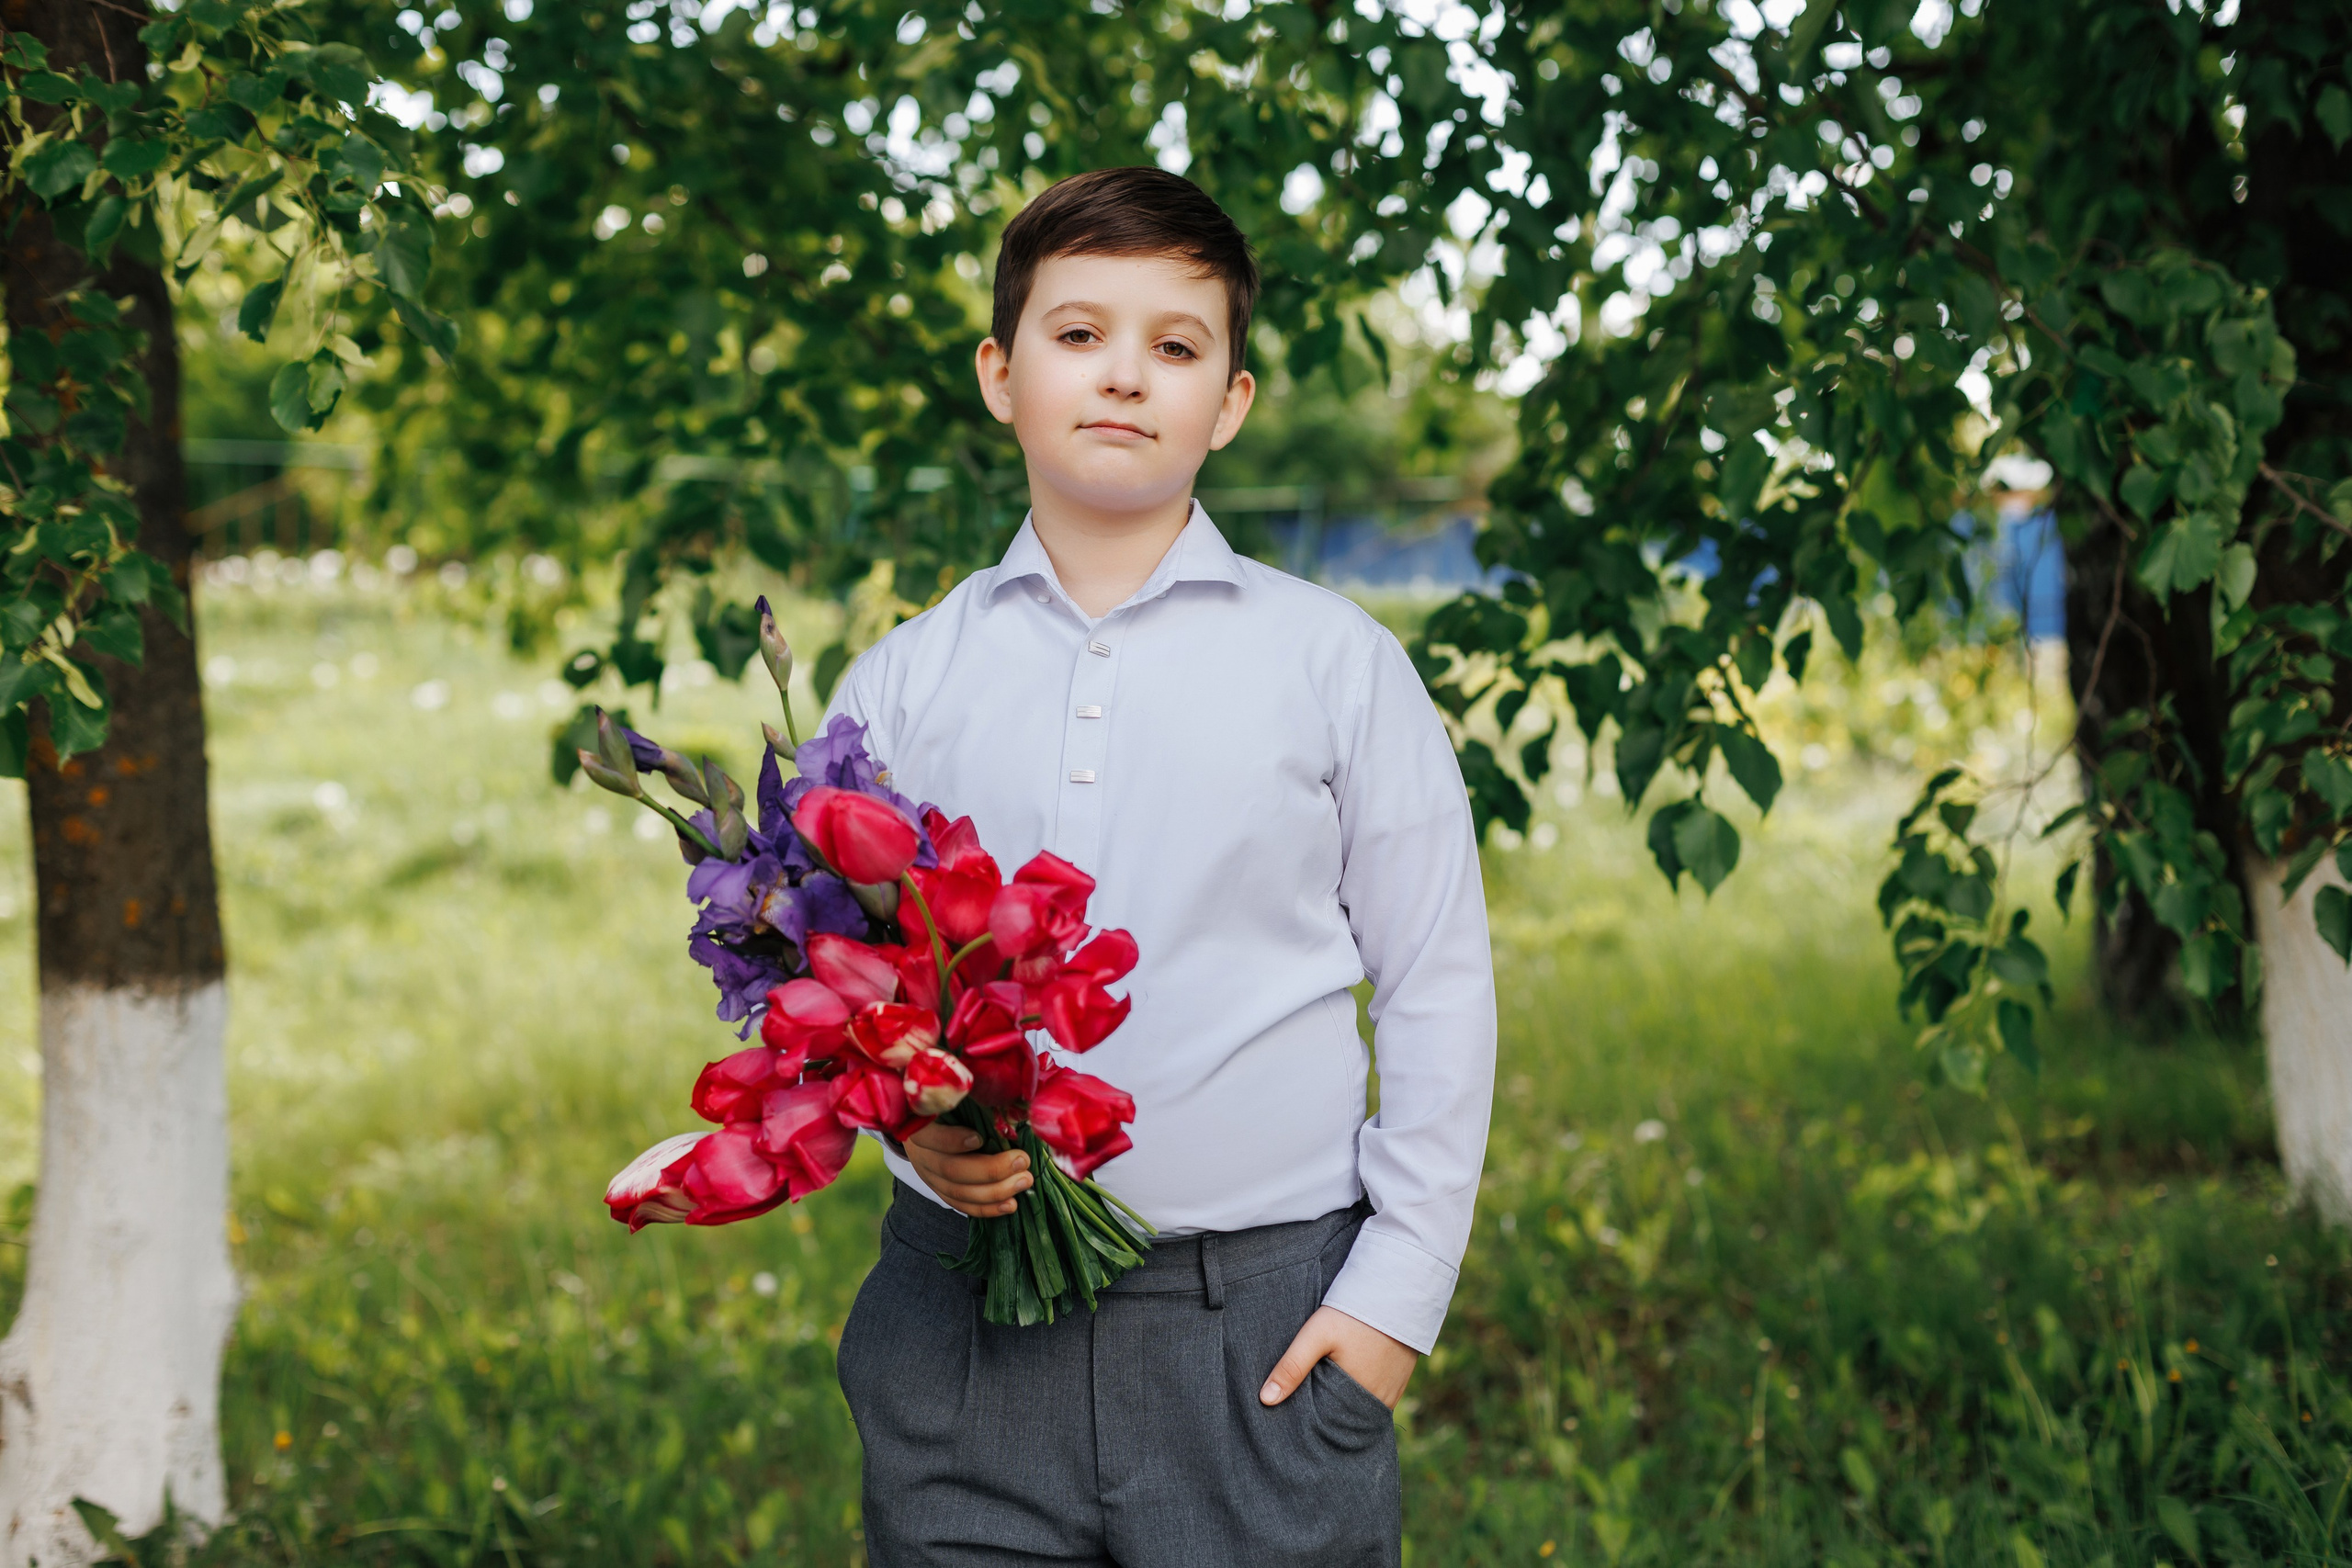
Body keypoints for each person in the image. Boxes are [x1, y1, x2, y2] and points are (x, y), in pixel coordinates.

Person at [822, 164, 1496, 1568]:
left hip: (1256, 1332)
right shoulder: (901, 685)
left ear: (1231, 402)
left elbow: (1436, 981)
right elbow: (837, 983)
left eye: (1176, 347)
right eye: (1079, 336)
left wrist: (1393, 1303)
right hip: (962, 1330)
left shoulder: (1335, 665)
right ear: (1002, 375)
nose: (1125, 376)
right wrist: (910, 1129)